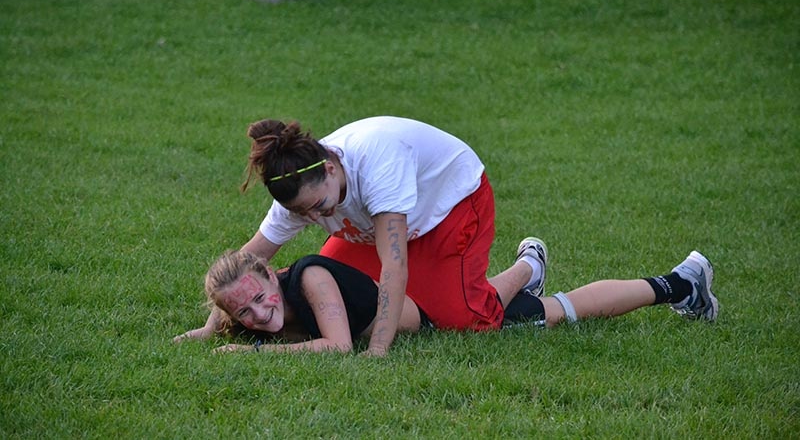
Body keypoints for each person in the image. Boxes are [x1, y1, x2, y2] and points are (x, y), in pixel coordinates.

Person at [174, 116, 716, 355]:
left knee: (471, 322)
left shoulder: (375, 162)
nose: (318, 218)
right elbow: (246, 263)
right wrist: (209, 327)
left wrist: (378, 350)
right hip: (386, 229)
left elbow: (395, 265)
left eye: (321, 206)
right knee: (357, 284)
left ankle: (535, 271)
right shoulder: (298, 187)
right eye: (305, 215)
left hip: (454, 205)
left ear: (332, 168)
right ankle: (525, 271)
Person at [193, 241, 718, 354]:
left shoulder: (310, 280)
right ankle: (529, 265)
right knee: (508, 301)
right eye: (243, 313)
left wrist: (254, 352)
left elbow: (337, 347)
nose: (259, 313)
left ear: (272, 274)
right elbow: (232, 299)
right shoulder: (253, 297)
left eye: (260, 299)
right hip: (422, 293)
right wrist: (204, 330)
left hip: (437, 313)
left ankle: (682, 282)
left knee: (557, 312)